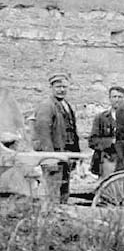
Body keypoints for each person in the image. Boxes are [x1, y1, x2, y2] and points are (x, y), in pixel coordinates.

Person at [33, 73, 80, 203]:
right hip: (55, 156)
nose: (62, 90)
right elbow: (43, 134)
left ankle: (61, 213)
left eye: (64, 87)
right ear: (51, 88)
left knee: (64, 190)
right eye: (58, 87)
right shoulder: (47, 106)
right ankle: (50, 213)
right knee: (52, 192)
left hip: (66, 155)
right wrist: (50, 158)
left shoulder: (66, 105)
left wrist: (75, 155)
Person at [88, 86, 124, 178]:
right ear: (109, 98)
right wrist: (111, 142)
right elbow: (93, 141)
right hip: (108, 159)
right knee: (107, 184)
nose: (117, 100)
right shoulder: (101, 118)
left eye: (120, 97)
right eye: (114, 97)